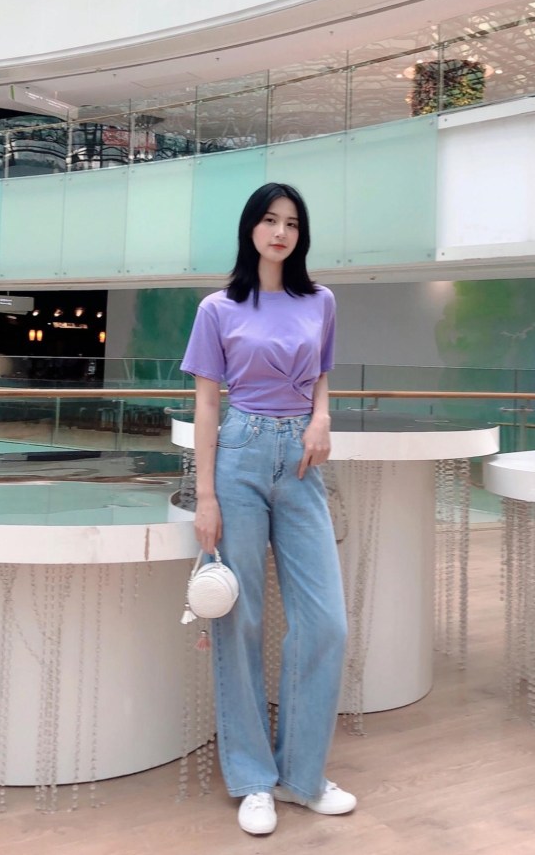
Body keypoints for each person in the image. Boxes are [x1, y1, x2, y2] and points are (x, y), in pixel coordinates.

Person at [180, 182, 356, 836]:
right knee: (241, 620)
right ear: (250, 228)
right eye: (270, 220)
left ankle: (302, 776)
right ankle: (254, 777)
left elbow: (321, 373)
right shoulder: (218, 307)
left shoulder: (320, 301)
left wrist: (322, 416)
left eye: (292, 223)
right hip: (240, 456)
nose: (281, 232)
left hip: (303, 464)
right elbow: (207, 403)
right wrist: (206, 495)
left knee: (326, 623)